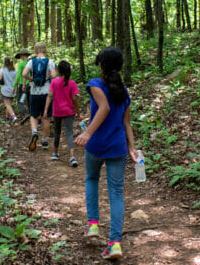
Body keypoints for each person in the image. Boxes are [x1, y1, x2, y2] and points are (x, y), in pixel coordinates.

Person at [74, 47, 138, 260]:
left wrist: (88, 134)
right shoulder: (124, 90)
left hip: (97, 145)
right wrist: (132, 147)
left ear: (101, 65)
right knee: (116, 193)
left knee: (92, 179)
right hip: (118, 147)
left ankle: (93, 224)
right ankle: (115, 243)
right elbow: (126, 123)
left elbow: (104, 108)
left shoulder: (95, 84)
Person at [44, 60, 80, 167]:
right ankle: (72, 157)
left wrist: (45, 110)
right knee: (69, 132)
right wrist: (78, 113)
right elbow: (74, 100)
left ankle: (55, 153)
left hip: (57, 111)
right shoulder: (72, 83)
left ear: (59, 71)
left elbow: (50, 96)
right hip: (69, 111)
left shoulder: (54, 82)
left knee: (57, 131)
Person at [22, 42, 56, 151]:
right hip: (47, 92)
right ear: (45, 50)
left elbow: (24, 74)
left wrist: (31, 79)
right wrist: (48, 77)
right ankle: (45, 141)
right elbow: (54, 76)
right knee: (46, 116)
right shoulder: (50, 61)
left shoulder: (31, 61)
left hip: (34, 92)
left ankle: (34, 132)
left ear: (35, 51)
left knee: (33, 114)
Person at [0, 57, 17, 122]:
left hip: (5, 90)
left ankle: (13, 116)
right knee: (9, 105)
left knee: (7, 105)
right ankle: (7, 118)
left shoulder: (2, 70)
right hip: (13, 89)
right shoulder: (15, 70)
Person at [12, 48, 31, 117]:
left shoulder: (20, 64)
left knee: (20, 101)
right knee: (29, 100)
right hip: (31, 84)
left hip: (23, 85)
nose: (20, 57)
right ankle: (31, 113)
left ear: (22, 55)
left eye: (20, 56)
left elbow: (18, 76)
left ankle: (25, 113)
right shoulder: (31, 62)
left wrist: (14, 86)